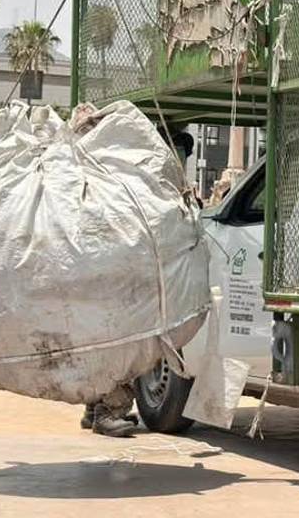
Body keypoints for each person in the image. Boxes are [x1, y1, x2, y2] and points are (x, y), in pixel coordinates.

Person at [80, 125, 197, 438]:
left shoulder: (143, 188)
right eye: (176, 154)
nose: (179, 161)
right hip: (127, 281)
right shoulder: (141, 191)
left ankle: (94, 408)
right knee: (128, 346)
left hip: (119, 278)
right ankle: (107, 412)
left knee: (111, 343)